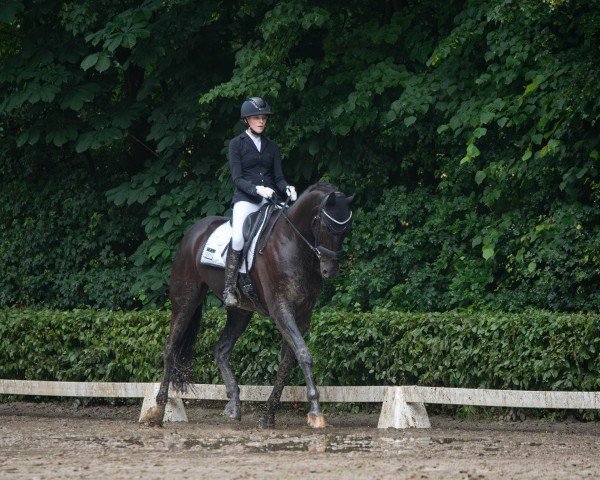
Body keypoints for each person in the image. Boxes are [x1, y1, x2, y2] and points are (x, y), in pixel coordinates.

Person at [223, 97, 297, 307]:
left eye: (264, 118)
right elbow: (237, 178)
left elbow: (279, 178)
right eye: (257, 118)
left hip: (269, 200)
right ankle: (229, 287)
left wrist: (287, 188)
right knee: (238, 238)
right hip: (246, 200)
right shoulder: (236, 144)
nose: (262, 121)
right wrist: (256, 189)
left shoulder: (272, 146)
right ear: (247, 120)